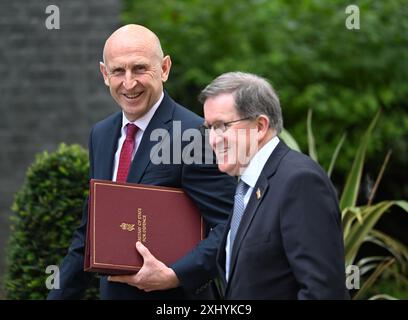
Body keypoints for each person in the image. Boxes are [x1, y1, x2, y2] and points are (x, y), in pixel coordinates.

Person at [48, 24, 235, 300]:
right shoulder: (101, 134)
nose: (129, 83)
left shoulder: (193, 135)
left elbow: (232, 226)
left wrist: (175, 275)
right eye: (118, 71)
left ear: (165, 68)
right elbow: (90, 233)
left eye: (139, 69)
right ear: (104, 74)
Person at [199, 71, 349, 299]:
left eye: (222, 126)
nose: (213, 139)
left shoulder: (300, 182)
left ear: (259, 126)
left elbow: (323, 292)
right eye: (209, 128)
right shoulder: (245, 189)